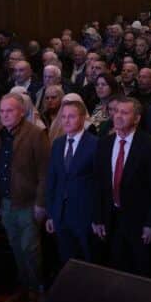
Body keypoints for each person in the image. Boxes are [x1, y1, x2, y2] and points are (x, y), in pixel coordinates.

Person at [0, 93, 51, 302]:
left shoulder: (36, 134)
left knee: (30, 249)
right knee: (16, 247)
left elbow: (45, 172)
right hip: (6, 202)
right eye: (2, 111)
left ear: (22, 112)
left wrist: (41, 203)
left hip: (28, 202)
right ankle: (24, 287)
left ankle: (37, 291)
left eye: (10, 111)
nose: (5, 115)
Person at [92, 97, 151, 276]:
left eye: (124, 112)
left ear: (137, 118)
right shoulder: (104, 143)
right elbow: (98, 184)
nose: (118, 116)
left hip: (139, 221)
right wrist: (98, 217)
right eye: (116, 111)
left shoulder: (150, 145)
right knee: (116, 268)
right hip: (112, 219)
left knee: (141, 270)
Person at [45, 96, 98, 265]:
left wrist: (98, 217)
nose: (66, 121)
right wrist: (51, 214)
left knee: (88, 262)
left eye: (71, 116)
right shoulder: (58, 144)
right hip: (61, 215)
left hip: (85, 216)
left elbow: (100, 185)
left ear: (82, 118)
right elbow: (52, 180)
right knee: (66, 262)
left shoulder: (95, 144)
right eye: (63, 117)